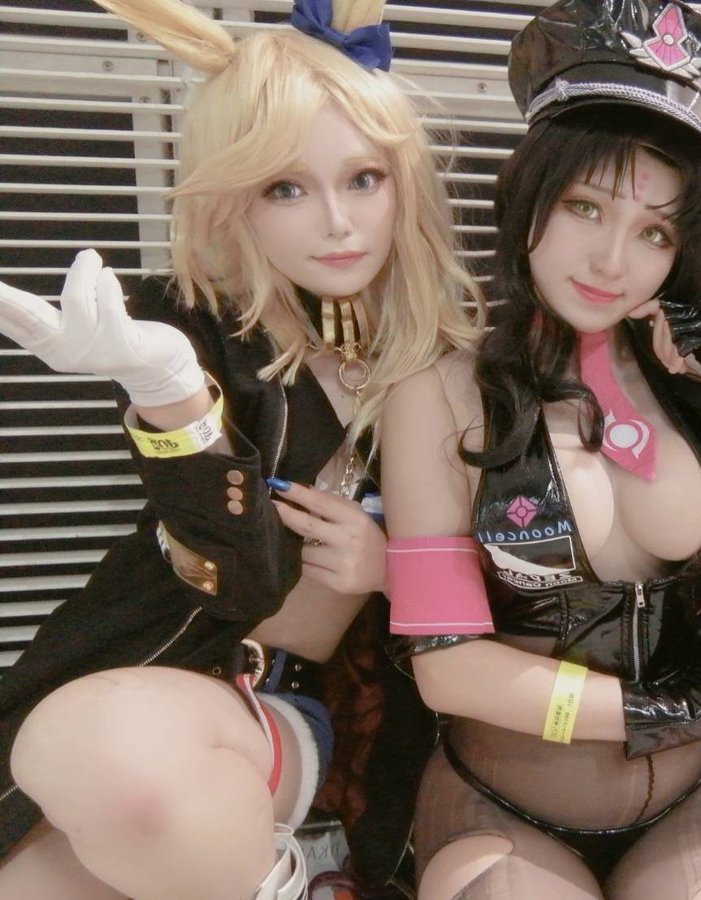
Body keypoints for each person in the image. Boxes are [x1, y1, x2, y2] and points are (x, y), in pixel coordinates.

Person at [0, 0, 481, 897]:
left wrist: (396, 570)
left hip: (304, 712)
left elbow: (546, 581)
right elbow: (243, 580)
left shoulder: (457, 366)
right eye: (285, 188)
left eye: (364, 179)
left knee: (113, 763)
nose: (337, 222)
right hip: (156, 668)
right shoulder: (187, 335)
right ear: (234, 202)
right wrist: (170, 392)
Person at [380, 1, 701, 897]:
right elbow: (447, 669)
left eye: (655, 231)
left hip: (696, 797)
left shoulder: (695, 381)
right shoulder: (438, 393)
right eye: (586, 207)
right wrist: (655, 709)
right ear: (528, 196)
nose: (614, 260)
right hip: (505, 804)